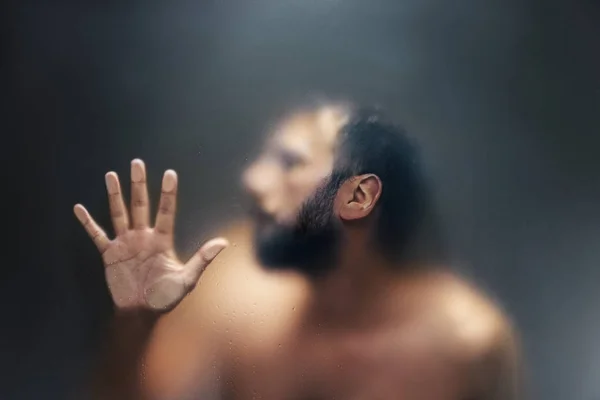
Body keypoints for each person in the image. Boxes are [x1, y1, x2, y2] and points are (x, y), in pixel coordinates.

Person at [74, 103, 523, 400]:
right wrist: (136, 320)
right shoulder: (233, 293)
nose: (252, 179)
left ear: (358, 197)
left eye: (289, 163)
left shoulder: (464, 344)